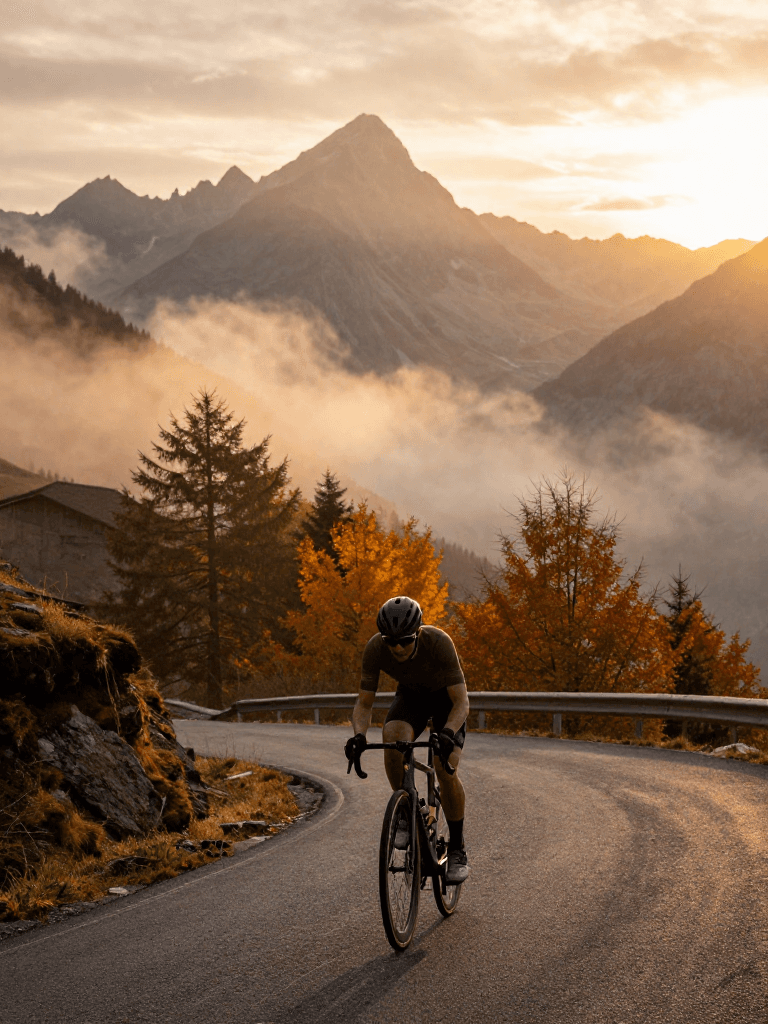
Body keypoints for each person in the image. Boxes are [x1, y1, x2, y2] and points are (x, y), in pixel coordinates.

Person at [344, 595, 470, 884]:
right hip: (412, 698)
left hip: (446, 701)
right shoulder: (375, 648)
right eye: (391, 641)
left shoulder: (439, 643)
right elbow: (364, 703)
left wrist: (448, 734)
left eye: (405, 640)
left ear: (418, 633)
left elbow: (461, 702)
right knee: (392, 739)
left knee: (445, 768)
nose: (397, 647)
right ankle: (406, 811)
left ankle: (457, 848)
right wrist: (359, 735)